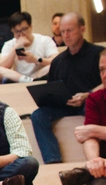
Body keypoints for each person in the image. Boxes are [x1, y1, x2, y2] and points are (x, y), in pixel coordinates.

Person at [30, 13, 105, 164]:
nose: (66, 35)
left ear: (82, 29)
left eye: (70, 30)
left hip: (90, 102)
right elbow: (51, 87)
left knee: (94, 111)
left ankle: (97, 157)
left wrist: (87, 95)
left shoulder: (98, 54)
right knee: (38, 115)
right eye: (62, 31)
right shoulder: (58, 61)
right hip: (64, 105)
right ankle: (52, 160)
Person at [58, 52, 106, 185]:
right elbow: (88, 138)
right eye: (102, 70)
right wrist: (95, 160)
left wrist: (96, 130)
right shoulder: (96, 99)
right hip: (102, 169)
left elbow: (90, 131)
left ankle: (83, 173)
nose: (104, 75)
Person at [0, 11, 58, 84]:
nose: (21, 34)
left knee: (53, 66)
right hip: (18, 78)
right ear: (12, 31)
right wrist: (16, 46)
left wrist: (36, 59)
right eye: (17, 31)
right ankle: (27, 80)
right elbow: (2, 67)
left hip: (38, 76)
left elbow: (56, 61)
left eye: (24, 29)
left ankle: (30, 80)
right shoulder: (9, 44)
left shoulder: (44, 40)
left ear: (31, 27)